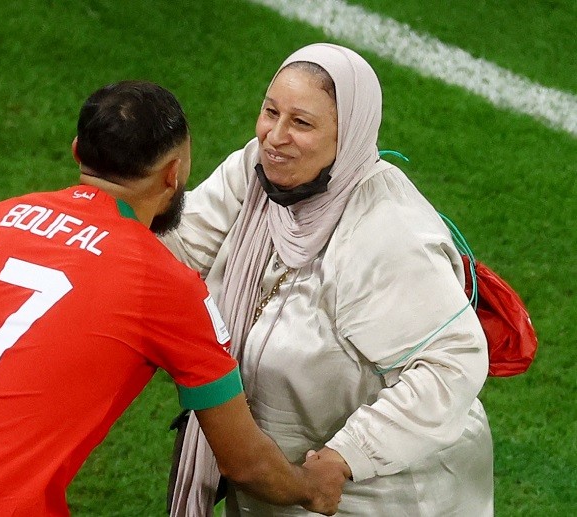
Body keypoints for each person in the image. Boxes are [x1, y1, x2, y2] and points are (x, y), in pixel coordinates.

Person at [0, 81, 350, 516]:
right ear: (172, 173)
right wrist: (312, 488)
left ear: (77, 151)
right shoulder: (162, 284)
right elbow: (245, 464)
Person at [164, 44, 494, 516]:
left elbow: (452, 364)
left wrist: (346, 458)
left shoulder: (387, 234)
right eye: (270, 112)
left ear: (350, 137)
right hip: (284, 485)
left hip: (384, 494)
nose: (275, 137)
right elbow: (180, 246)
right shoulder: (259, 175)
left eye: (301, 123)